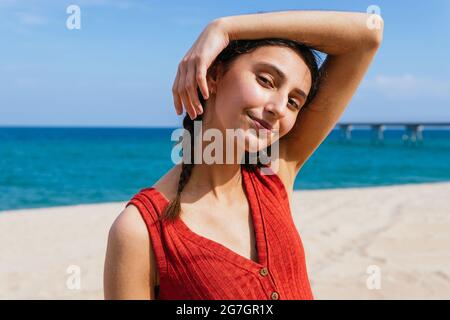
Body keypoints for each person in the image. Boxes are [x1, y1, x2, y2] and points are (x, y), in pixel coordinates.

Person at [103, 10, 384, 300]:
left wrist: (225, 28)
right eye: (266, 81)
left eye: (294, 102)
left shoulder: (275, 174)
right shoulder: (140, 230)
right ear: (214, 75)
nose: (278, 107)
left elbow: (368, 33)